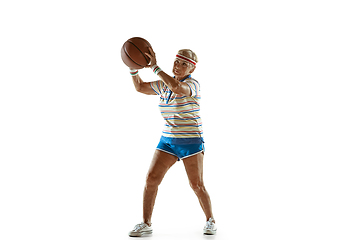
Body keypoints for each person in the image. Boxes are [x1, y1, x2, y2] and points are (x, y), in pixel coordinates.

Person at [127, 48, 216, 237]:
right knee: (151, 179)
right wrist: (132, 68)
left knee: (196, 185)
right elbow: (140, 87)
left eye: (184, 64)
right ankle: (146, 223)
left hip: (190, 140)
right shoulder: (163, 85)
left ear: (191, 69)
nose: (179, 66)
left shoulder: (193, 84)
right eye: (177, 61)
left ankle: (210, 221)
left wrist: (154, 67)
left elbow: (177, 87)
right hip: (168, 140)